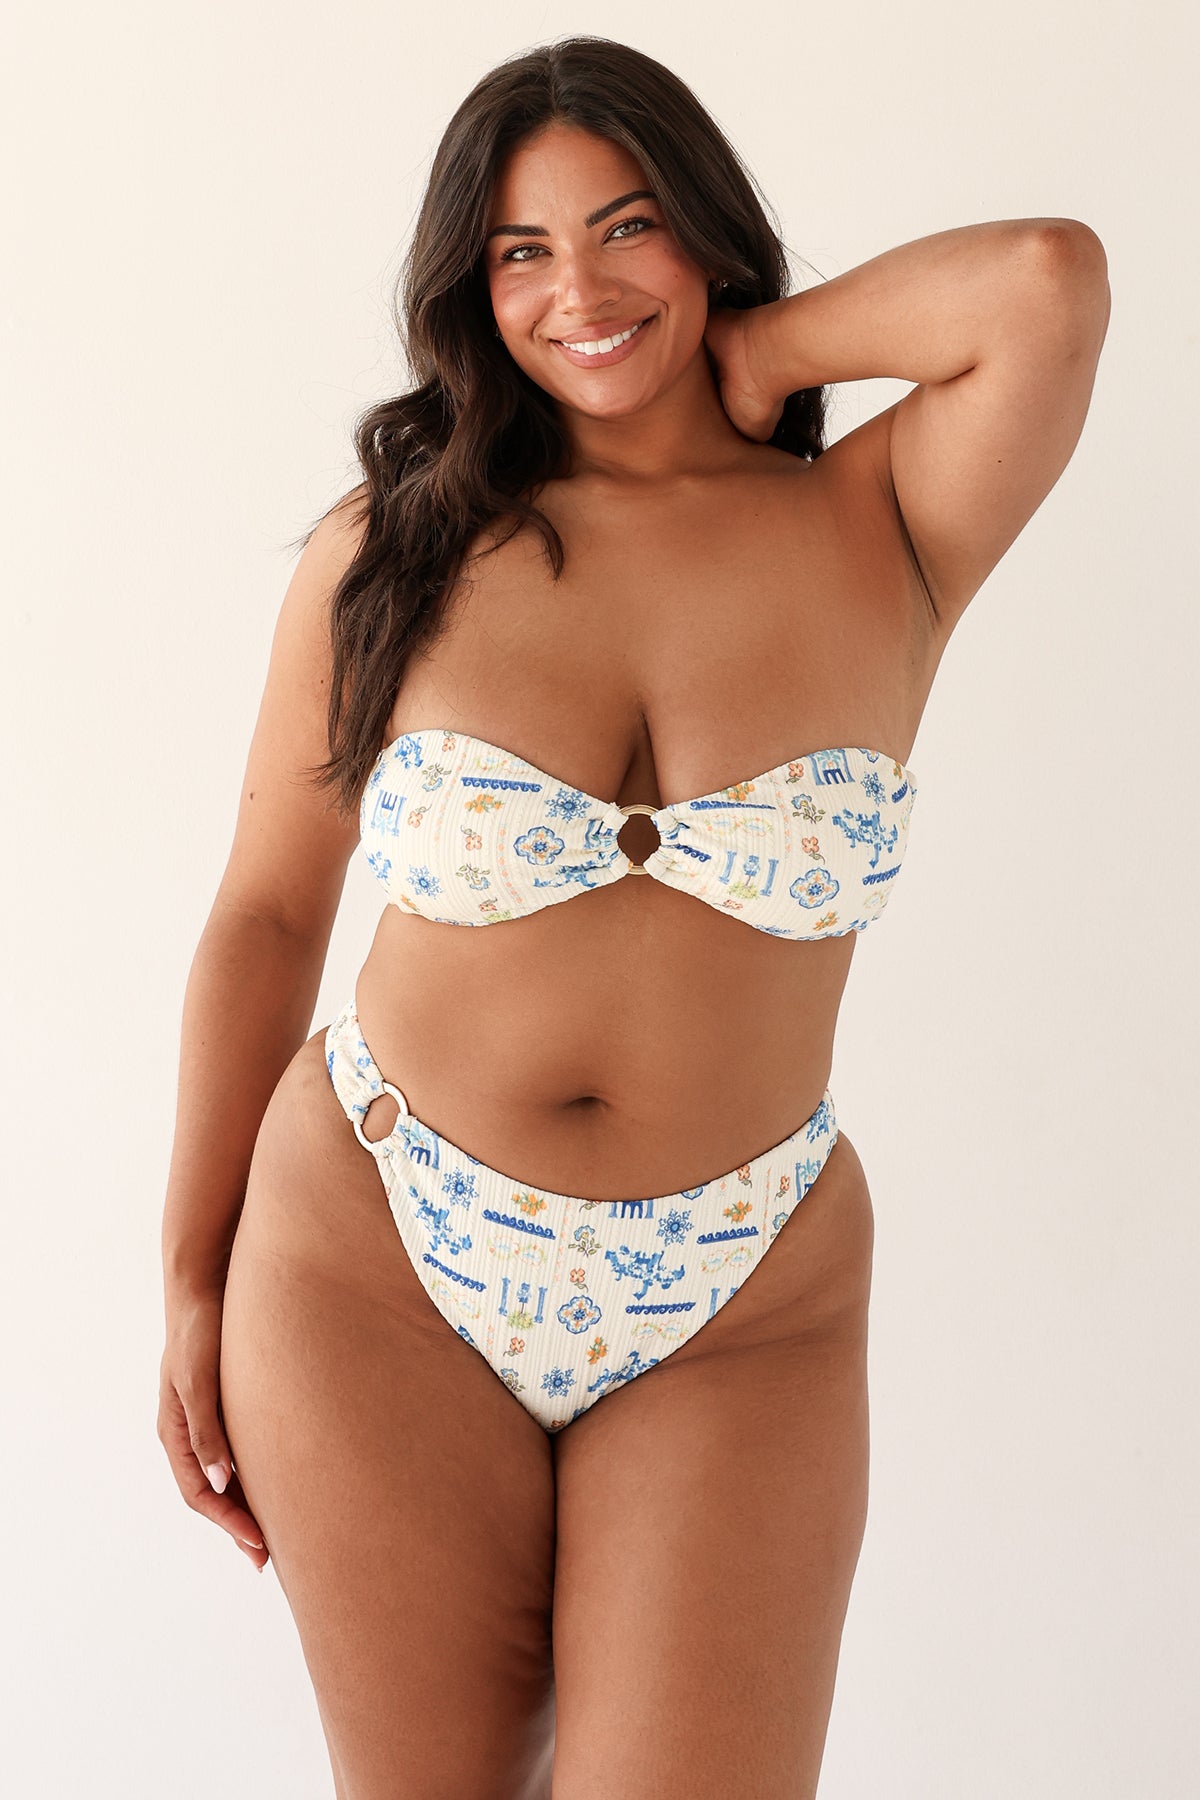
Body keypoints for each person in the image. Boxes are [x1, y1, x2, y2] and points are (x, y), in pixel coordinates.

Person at [156, 35, 1110, 1800]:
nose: (579, 294)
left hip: (746, 1294)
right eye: (521, 251)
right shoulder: (396, 549)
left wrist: (763, 351)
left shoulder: (886, 519)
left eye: (627, 227)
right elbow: (266, 918)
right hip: (375, 1253)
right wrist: (190, 1277)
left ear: (710, 232)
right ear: (471, 287)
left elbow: (1044, 281)